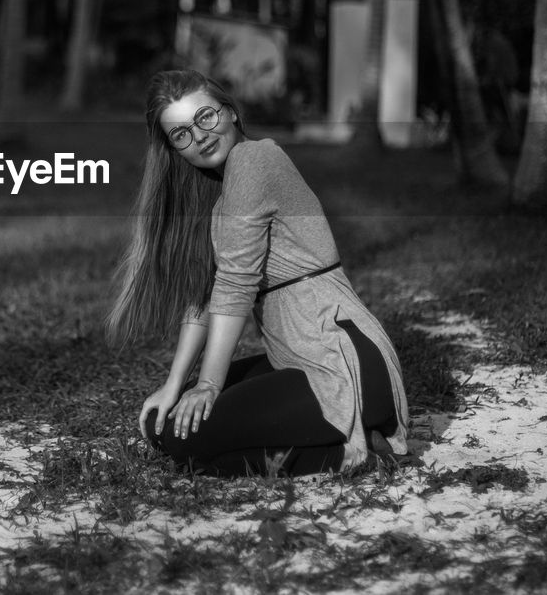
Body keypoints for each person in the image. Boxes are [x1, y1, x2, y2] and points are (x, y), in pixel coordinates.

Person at [106, 69, 410, 477]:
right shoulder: (221, 193)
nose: (199, 136)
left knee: (184, 439)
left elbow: (234, 285)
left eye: (206, 117)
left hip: (339, 363)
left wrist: (209, 386)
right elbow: (207, 294)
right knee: (163, 421)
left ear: (230, 112)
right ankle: (339, 440)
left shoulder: (254, 159)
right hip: (296, 357)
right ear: (174, 150)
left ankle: (350, 452)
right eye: (181, 135)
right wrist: (176, 383)